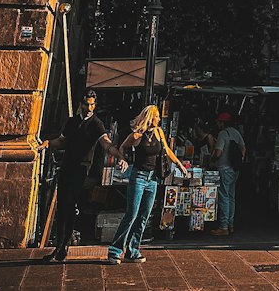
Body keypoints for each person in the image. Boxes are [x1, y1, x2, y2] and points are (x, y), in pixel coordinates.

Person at [40, 89, 121, 263]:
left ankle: (63, 247)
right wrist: (48, 143)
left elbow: (105, 142)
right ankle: (59, 246)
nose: (89, 107)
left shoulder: (96, 123)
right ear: (81, 104)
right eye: (86, 104)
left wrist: (118, 153)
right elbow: (62, 141)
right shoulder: (72, 122)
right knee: (62, 206)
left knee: (69, 204)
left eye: (92, 104)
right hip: (67, 166)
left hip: (82, 169)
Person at [108, 105, 190, 265]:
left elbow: (167, 150)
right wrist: (122, 159)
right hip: (138, 176)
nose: (158, 119)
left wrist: (179, 164)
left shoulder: (159, 132)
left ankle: (133, 250)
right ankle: (115, 250)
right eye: (156, 116)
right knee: (131, 214)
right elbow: (123, 146)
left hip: (153, 179)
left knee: (144, 216)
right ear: (149, 117)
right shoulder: (137, 135)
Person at [211, 110, 246, 236]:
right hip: (234, 169)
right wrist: (239, 160)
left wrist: (213, 159)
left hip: (224, 169)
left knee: (224, 197)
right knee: (231, 197)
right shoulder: (236, 133)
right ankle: (230, 225)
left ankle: (224, 227)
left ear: (222, 123)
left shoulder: (222, 134)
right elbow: (243, 148)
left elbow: (218, 152)